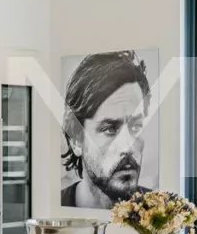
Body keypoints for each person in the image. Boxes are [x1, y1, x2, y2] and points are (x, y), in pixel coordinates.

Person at [60, 50, 150, 208]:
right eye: (110, 129)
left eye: (135, 127)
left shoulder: (164, 212)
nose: (128, 147)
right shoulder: (52, 207)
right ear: (76, 139)